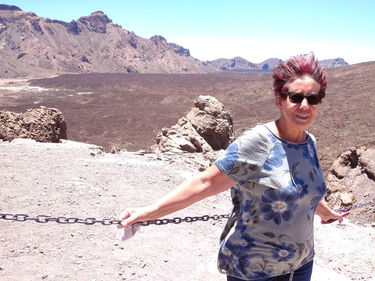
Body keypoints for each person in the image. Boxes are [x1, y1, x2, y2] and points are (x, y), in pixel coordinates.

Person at [120, 53, 344, 281]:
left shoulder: (309, 142)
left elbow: (303, 190)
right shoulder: (259, 143)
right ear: (280, 100)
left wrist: (327, 213)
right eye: (295, 97)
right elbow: (205, 182)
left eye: (312, 99)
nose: (304, 105)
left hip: (301, 263)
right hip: (256, 269)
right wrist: (150, 211)